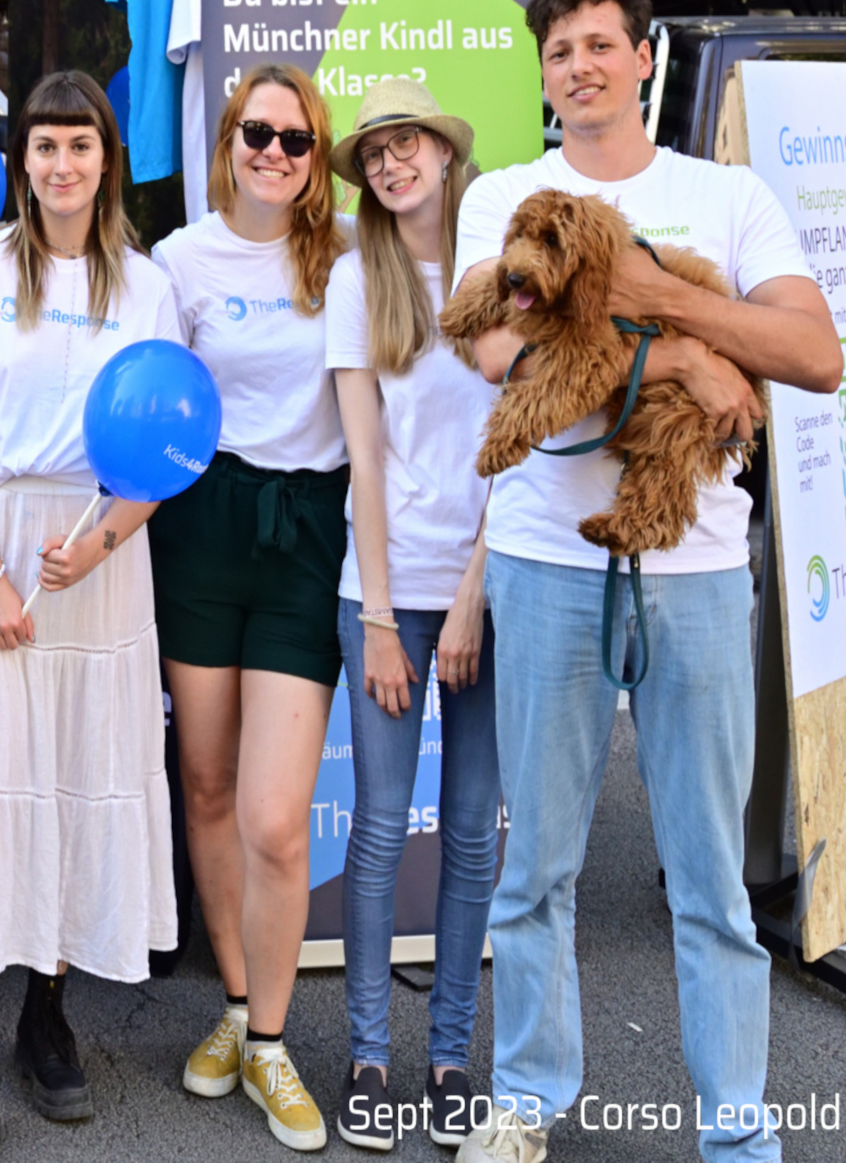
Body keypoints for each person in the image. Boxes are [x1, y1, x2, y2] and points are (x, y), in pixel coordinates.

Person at [448, 0, 836, 1163]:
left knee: (712, 882)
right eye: (560, 48)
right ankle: (526, 1100)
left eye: (602, 43)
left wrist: (661, 296)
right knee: (539, 867)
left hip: (704, 578)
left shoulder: (725, 196)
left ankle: (736, 1127)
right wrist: (686, 368)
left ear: (644, 58)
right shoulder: (505, 196)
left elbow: (816, 352)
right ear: (544, 71)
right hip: (544, 564)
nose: (581, 66)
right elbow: (498, 360)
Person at [0, 72, 181, 1163]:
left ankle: (48, 1010)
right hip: (6, 549)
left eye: (80, 145)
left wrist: (105, 541)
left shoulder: (148, 286)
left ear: (104, 159)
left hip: (104, 558)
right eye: (44, 146)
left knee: (76, 775)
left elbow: (169, 440)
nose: (62, 165)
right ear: (20, 160)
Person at [149, 62, 352, 1155]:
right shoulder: (178, 261)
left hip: (304, 535)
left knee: (277, 817)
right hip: (199, 521)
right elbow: (143, 402)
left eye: (296, 140)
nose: (273, 153)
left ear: (317, 160)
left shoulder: (348, 262)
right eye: (256, 133)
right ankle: (235, 1006)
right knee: (210, 783)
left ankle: (271, 1040)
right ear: (227, 139)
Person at [323, 81, 498, 1154]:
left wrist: (474, 590)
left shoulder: (502, 271)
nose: (392, 166)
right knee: (381, 828)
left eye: (408, 145)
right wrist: (383, 615)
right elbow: (366, 455)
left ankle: (450, 1055)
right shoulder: (359, 276)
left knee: (474, 830)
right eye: (376, 153)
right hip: (383, 584)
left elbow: (522, 437)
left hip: (491, 584)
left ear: (443, 151)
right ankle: (370, 1054)